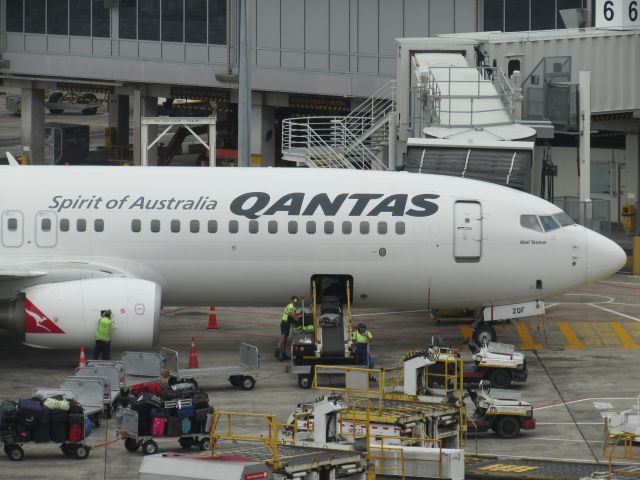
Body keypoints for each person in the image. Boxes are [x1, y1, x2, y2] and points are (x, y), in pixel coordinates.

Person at [275, 296, 301, 361]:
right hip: (285, 324)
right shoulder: (291, 306)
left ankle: (284, 354)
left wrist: (299, 314)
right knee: (282, 339)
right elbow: (290, 314)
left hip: (287, 324)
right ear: (292, 301)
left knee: (285, 340)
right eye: (295, 302)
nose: (296, 303)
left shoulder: (293, 306)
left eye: (296, 302)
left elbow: (293, 314)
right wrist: (297, 317)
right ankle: (277, 353)